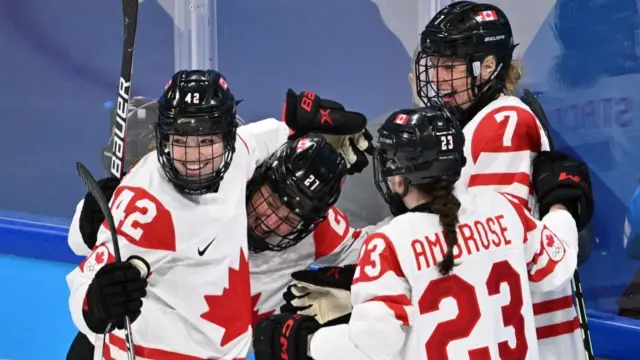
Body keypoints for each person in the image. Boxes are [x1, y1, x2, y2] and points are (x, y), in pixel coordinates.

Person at [65, 69, 368, 359]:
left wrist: (314, 140)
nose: (194, 158)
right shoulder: (148, 201)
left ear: (229, 138)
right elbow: (84, 278)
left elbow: (275, 136)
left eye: (207, 141)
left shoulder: (242, 158)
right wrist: (96, 304)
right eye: (181, 141)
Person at [252, 105, 593, 360]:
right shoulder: (505, 210)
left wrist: (304, 342)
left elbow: (374, 346)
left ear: (398, 179)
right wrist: (559, 205)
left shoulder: (391, 242)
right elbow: (555, 267)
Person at [413, 2, 593, 359]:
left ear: (489, 66)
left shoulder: (503, 123)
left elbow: (494, 247)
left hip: (532, 336)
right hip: (508, 330)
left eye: (449, 66)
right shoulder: (472, 122)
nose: (437, 78)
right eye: (434, 65)